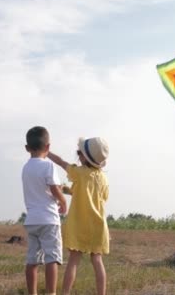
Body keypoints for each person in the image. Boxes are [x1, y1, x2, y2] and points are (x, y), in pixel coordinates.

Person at [47, 137, 110, 295]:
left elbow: (61, 162)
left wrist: (46, 152)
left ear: (84, 157)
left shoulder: (79, 173)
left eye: (78, 152)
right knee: (97, 260)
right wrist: (67, 190)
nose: (77, 155)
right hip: (98, 225)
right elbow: (101, 197)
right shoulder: (103, 178)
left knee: (73, 260)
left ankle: (65, 293)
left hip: (80, 224)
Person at [22, 126, 67, 295]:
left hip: (32, 220)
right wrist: (63, 201)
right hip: (49, 220)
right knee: (52, 259)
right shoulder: (48, 166)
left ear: (27, 148)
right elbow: (54, 190)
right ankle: (51, 293)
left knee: (32, 260)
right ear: (48, 147)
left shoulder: (25, 168)